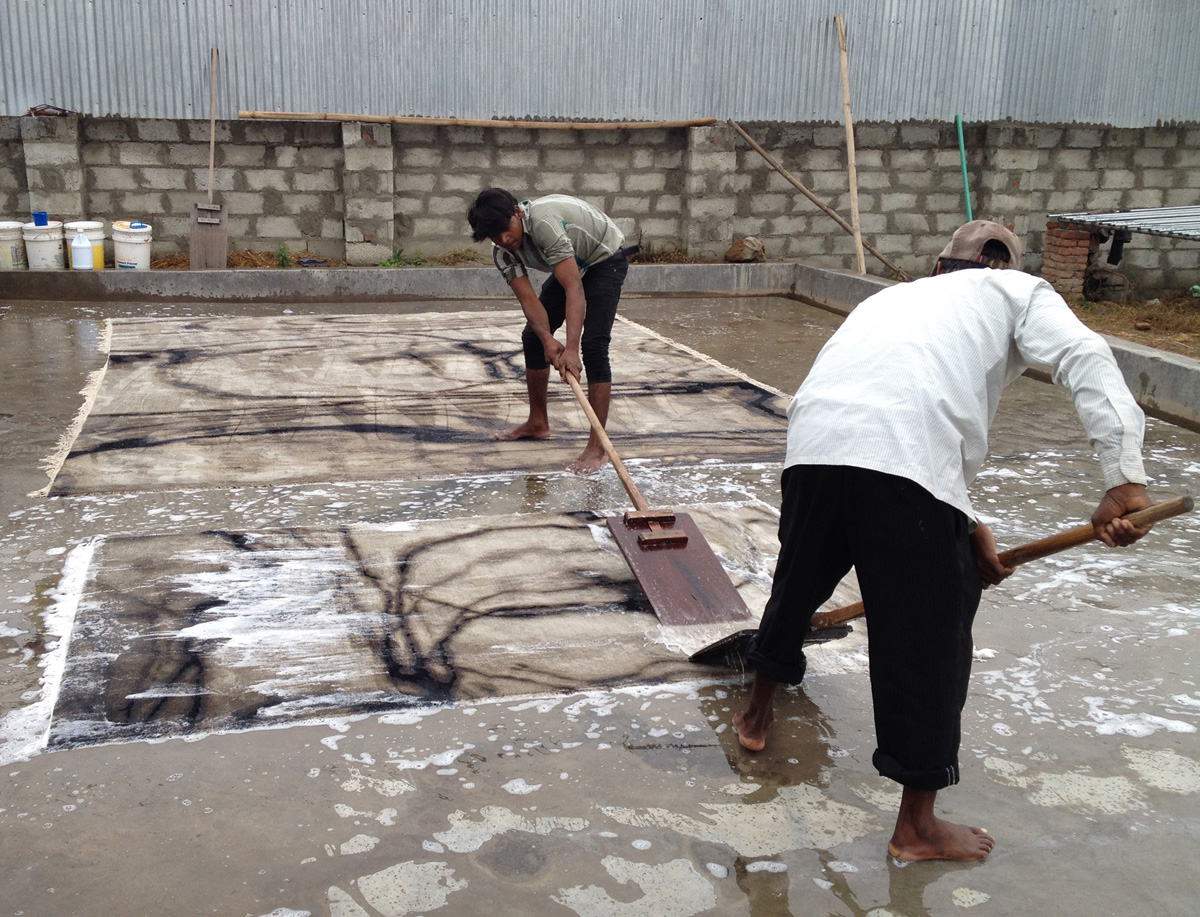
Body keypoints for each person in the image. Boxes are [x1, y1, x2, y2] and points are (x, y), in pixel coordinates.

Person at [732, 220, 1153, 863]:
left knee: (797, 587)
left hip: (815, 448)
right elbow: (1082, 356)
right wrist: (1124, 478)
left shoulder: (890, 298)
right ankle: (916, 828)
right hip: (901, 460)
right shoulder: (1018, 292)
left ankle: (756, 717)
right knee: (931, 634)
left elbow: (908, 408)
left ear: (938, 266)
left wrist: (967, 524)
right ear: (1002, 267)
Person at [467, 188, 635, 474]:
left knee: (593, 346)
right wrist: (547, 339)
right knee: (533, 337)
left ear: (517, 213)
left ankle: (597, 449)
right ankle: (538, 423)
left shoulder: (543, 224)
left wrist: (570, 349)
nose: (505, 240)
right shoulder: (503, 253)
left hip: (603, 258)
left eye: (506, 229)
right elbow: (529, 300)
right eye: (495, 237)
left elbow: (574, 288)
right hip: (574, 263)